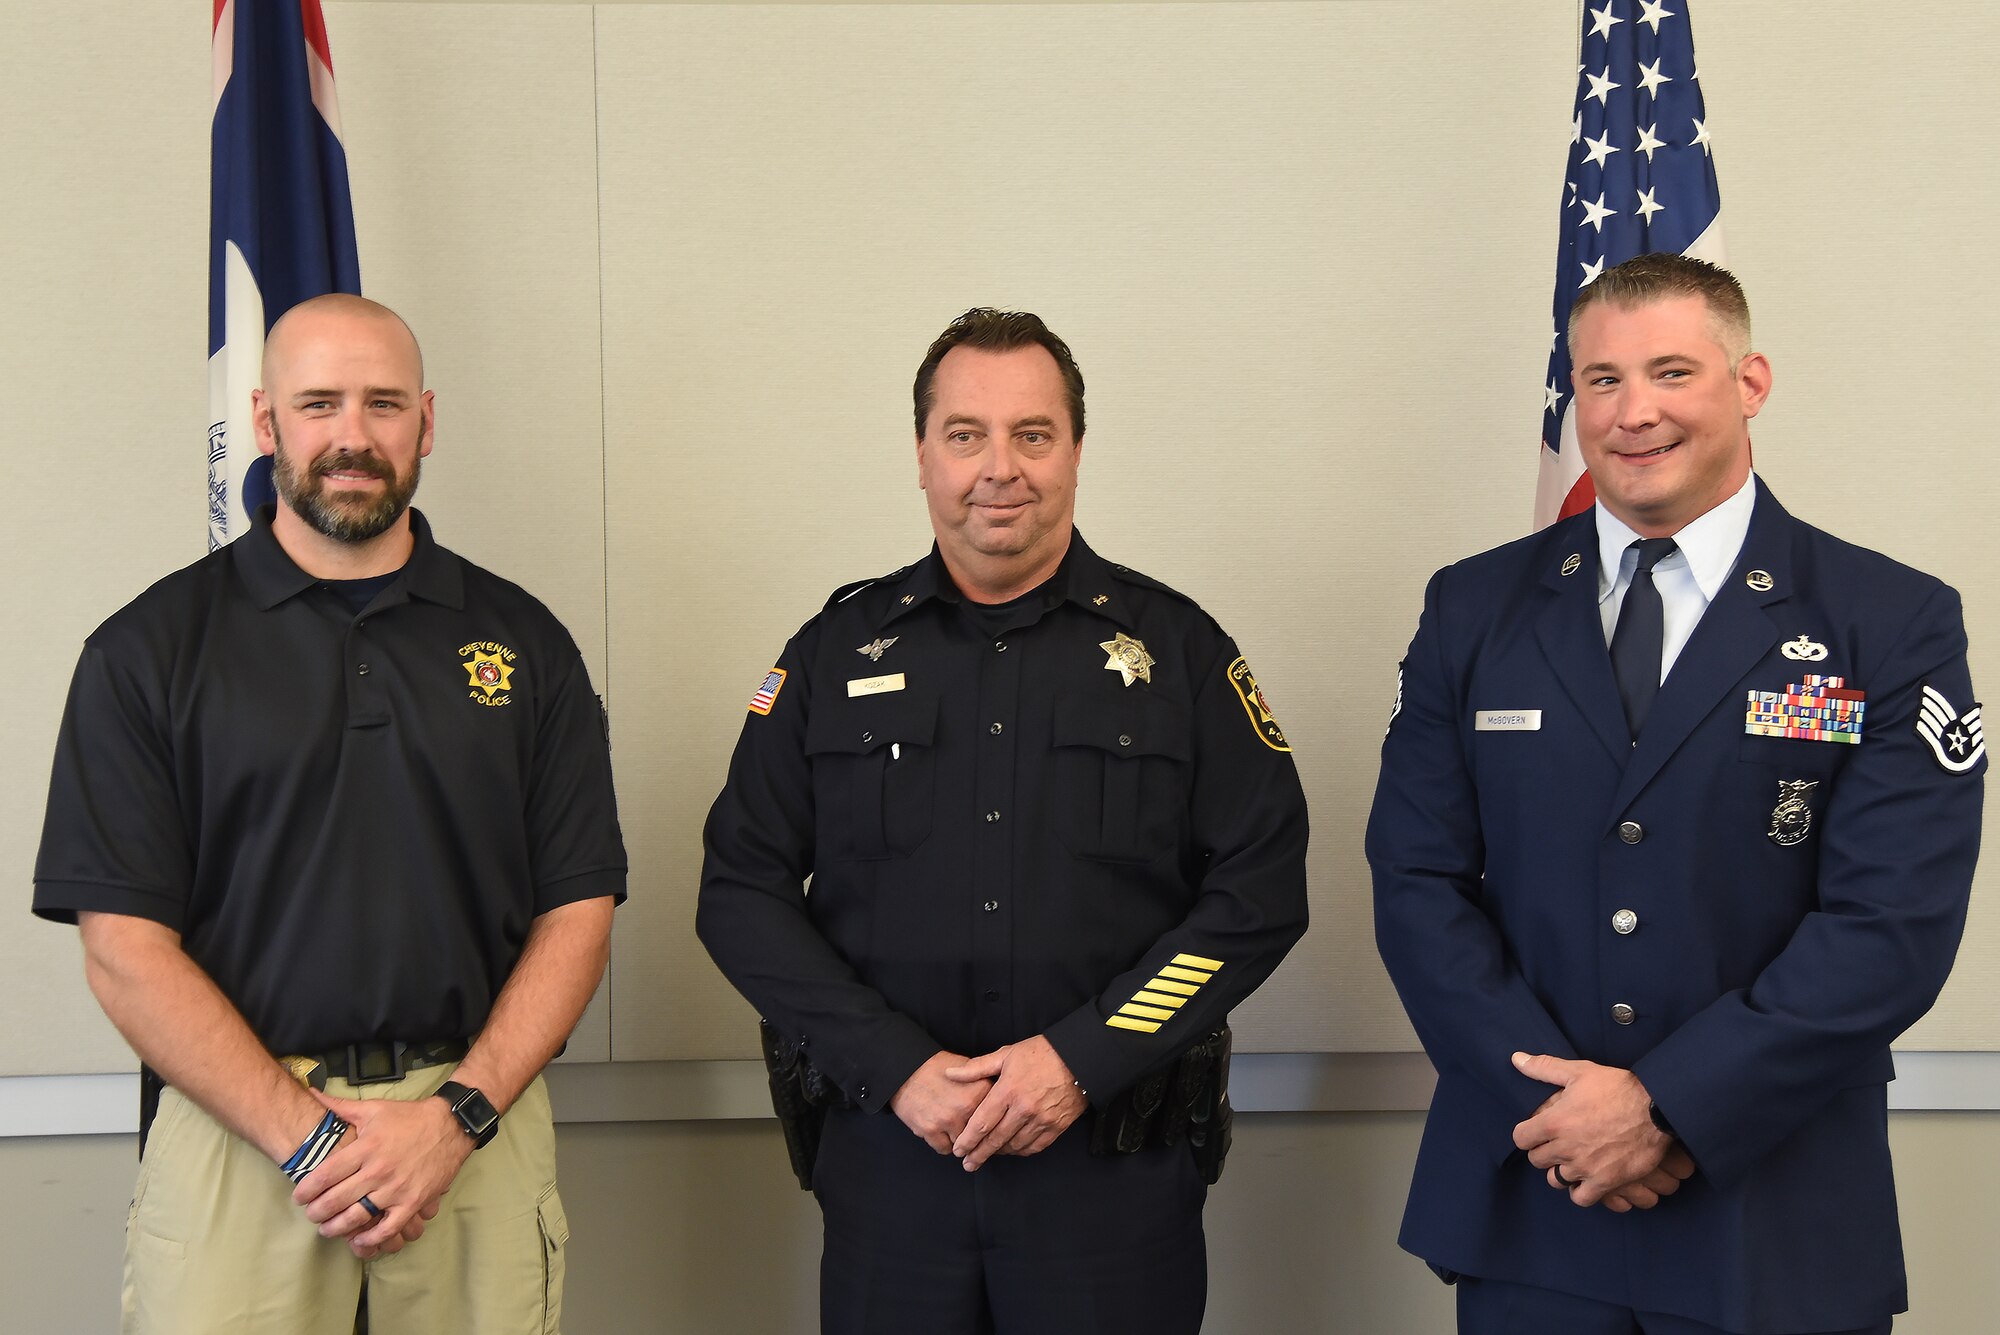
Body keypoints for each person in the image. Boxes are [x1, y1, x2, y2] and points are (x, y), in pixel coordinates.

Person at [1368, 253, 1984, 1335]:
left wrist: (1663, 1108)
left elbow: (1889, 927)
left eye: (1669, 372)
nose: (1632, 412)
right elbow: (1415, 881)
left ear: (1747, 384)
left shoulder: (1885, 620)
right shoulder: (1473, 608)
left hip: (1769, 1203)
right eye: (1600, 380)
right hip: (1535, 1193)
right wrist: (1561, 1116)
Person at [697, 307, 1309, 1335]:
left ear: (1074, 450)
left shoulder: (1179, 652)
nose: (1000, 468)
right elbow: (740, 893)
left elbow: (1258, 892)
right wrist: (892, 1065)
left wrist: (1083, 1058)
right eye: (965, 434)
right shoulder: (833, 654)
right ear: (922, 456)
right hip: (892, 1174)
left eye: (1033, 434)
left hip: (1110, 1176)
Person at [33, 294, 626, 1335]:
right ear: (265, 424)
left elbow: (577, 915)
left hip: (470, 1131)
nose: (352, 436)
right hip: (237, 1136)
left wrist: (452, 1121)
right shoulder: (146, 652)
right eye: (319, 404)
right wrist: (305, 1138)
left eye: (383, 404)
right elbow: (123, 946)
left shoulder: (527, 646)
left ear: (426, 423)